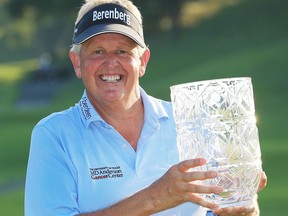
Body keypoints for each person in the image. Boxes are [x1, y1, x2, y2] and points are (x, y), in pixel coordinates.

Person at [25, 0, 267, 215]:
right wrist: (155, 197)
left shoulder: (190, 121)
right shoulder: (54, 135)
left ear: (142, 61)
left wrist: (242, 209)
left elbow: (215, 206)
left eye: (122, 51)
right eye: (97, 52)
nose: (111, 63)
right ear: (77, 63)